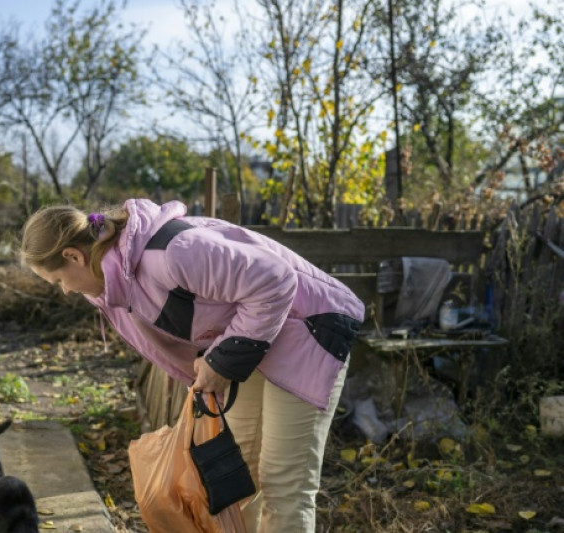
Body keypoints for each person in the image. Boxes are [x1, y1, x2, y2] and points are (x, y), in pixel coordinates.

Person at [20, 198, 364, 532]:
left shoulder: (171, 253)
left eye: (59, 281)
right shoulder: (116, 282)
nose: (64, 291)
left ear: (73, 256)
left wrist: (219, 361)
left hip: (308, 330)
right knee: (237, 476)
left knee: (283, 484)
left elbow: (276, 281)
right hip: (255, 339)